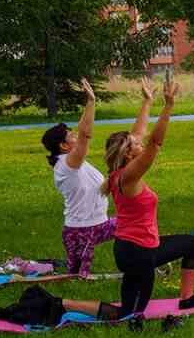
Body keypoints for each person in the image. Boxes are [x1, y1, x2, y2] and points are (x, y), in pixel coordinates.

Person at [99, 78, 194, 329]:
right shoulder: (129, 176)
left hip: (132, 249)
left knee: (192, 244)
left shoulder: (120, 172)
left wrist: (148, 101)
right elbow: (155, 143)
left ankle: (184, 300)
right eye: (135, 145)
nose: (140, 142)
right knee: (138, 306)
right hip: (139, 252)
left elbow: (138, 134)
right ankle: (135, 321)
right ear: (128, 154)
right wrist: (168, 106)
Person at [42, 77, 150, 276]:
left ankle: (147, 258)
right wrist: (91, 102)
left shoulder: (77, 164)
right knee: (76, 277)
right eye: (70, 135)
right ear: (64, 146)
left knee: (134, 223)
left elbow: (136, 137)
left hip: (99, 225)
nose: (76, 136)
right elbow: (85, 136)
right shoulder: (66, 165)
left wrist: (147, 102)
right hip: (80, 231)